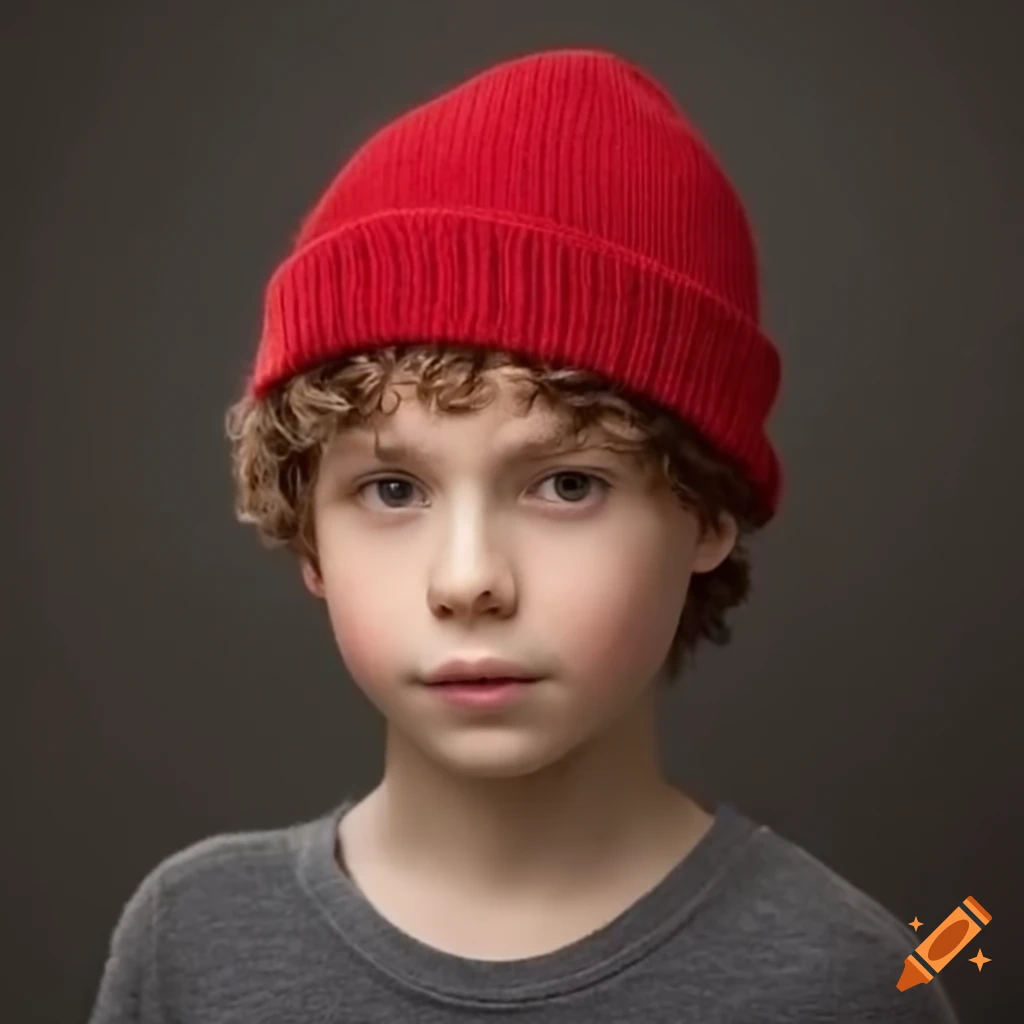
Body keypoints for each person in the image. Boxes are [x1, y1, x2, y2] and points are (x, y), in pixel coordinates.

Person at [89, 47, 961, 1022]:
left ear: (707, 510)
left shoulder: (851, 978)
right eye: (390, 489)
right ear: (307, 533)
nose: (468, 580)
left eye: (567, 483)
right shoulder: (191, 941)